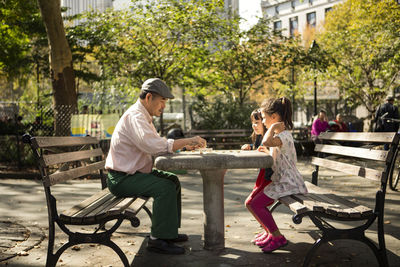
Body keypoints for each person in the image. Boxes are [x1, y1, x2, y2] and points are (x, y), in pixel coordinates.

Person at [105, 78, 207, 255]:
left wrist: (184, 145)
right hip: (121, 179)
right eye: (162, 101)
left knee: (172, 180)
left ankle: (168, 232)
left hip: (131, 175)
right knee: (164, 187)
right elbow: (152, 145)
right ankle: (157, 240)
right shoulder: (136, 116)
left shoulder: (144, 116)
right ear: (149, 97)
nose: (163, 106)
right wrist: (187, 140)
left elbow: (158, 145)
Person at [246, 97, 308, 253]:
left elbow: (266, 142)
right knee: (251, 203)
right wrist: (267, 152)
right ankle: (270, 233)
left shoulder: (283, 136)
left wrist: (272, 128)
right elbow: (275, 155)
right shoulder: (281, 137)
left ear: (274, 117)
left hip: (288, 183)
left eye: (265, 118)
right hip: (282, 180)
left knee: (256, 204)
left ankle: (278, 237)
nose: (264, 122)